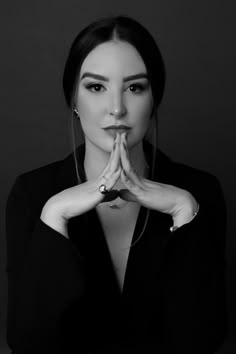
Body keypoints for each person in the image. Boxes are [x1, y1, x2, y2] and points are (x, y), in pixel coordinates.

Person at [5, 15, 227, 354]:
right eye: (96, 87)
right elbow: (27, 343)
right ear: (74, 101)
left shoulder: (199, 191)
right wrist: (54, 216)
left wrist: (184, 211)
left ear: (154, 101)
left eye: (135, 88)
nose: (117, 108)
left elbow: (203, 340)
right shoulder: (32, 193)